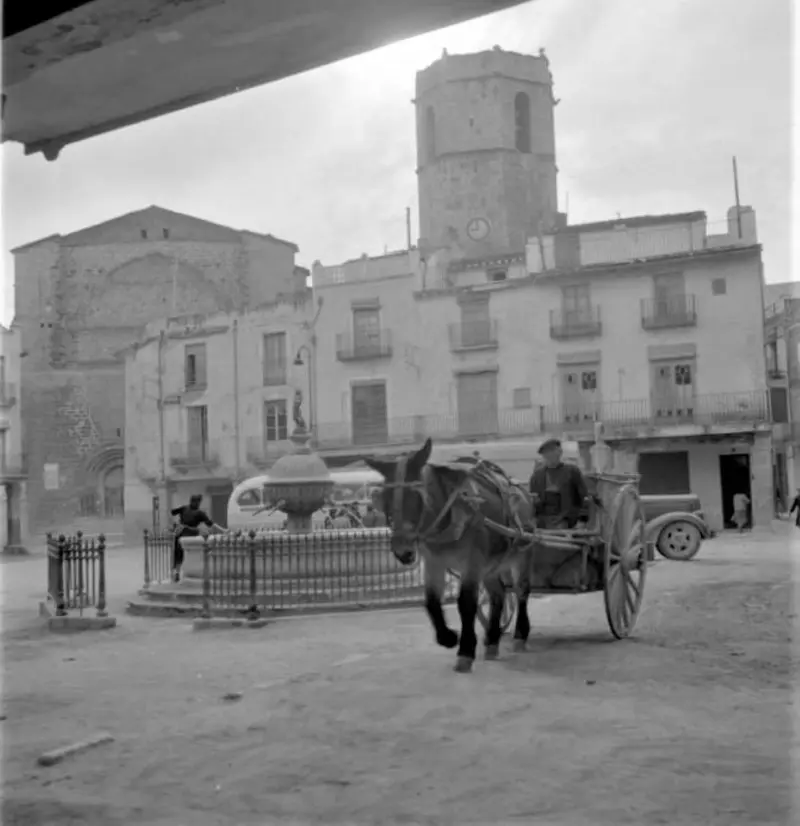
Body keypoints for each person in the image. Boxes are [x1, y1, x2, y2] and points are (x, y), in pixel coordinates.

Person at [529, 438, 590, 530]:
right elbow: (532, 501)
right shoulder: (537, 476)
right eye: (548, 453)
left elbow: (584, 498)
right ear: (544, 455)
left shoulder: (572, 471)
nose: (551, 455)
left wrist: (582, 521)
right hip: (542, 521)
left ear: (560, 453)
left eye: (554, 451)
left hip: (565, 520)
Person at [170, 495, 222, 582]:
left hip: (180, 533)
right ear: (196, 502)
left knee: (178, 554)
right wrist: (223, 530)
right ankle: (178, 572)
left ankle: (177, 572)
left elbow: (172, 512)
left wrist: (176, 525)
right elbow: (211, 524)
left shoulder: (186, 509)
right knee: (180, 554)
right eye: (198, 502)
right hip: (189, 534)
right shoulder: (199, 513)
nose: (198, 504)